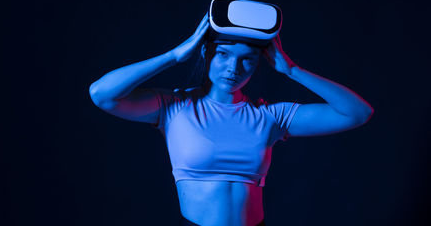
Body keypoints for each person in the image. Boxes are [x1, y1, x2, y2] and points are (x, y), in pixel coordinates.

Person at [89, 12, 374, 226]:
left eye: (247, 59)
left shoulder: (271, 116)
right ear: (206, 52)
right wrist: (175, 55)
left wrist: (291, 70)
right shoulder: (174, 106)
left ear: (259, 62)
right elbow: (102, 94)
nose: (233, 68)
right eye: (223, 54)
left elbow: (357, 113)